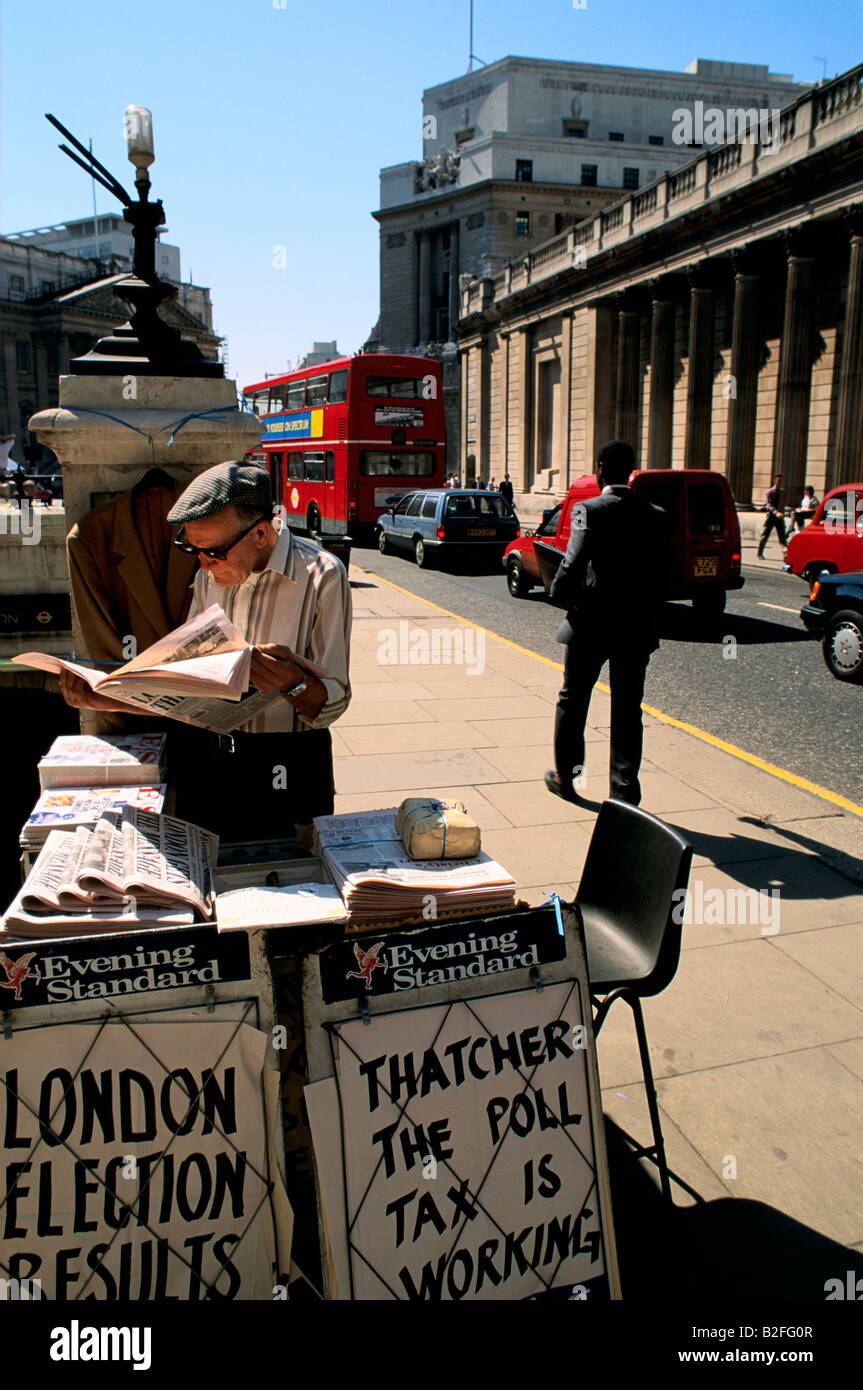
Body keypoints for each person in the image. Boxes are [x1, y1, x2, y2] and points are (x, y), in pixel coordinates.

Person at [60, 461, 352, 842]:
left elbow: (334, 702)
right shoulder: (206, 578)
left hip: (287, 763)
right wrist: (107, 698)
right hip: (211, 764)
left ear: (261, 533)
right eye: (191, 548)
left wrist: (291, 682)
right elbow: (191, 690)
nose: (202, 563)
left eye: (213, 551)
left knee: (289, 877)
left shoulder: (323, 577)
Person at [545, 439, 668, 807]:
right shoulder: (655, 514)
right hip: (637, 626)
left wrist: (556, 590)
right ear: (630, 470)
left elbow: (573, 563)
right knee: (629, 708)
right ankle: (624, 791)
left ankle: (569, 777)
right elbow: (662, 575)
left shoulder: (589, 510)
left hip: (592, 624)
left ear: (600, 468)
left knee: (573, 698)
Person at [757, 474, 788, 557]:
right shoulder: (770, 492)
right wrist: (776, 512)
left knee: (782, 536)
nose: (780, 483)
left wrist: (782, 513)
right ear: (774, 481)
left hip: (780, 517)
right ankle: (760, 552)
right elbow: (768, 505)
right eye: (778, 481)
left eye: (781, 481)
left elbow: (783, 504)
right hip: (772, 516)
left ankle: (786, 554)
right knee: (765, 535)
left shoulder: (783, 492)